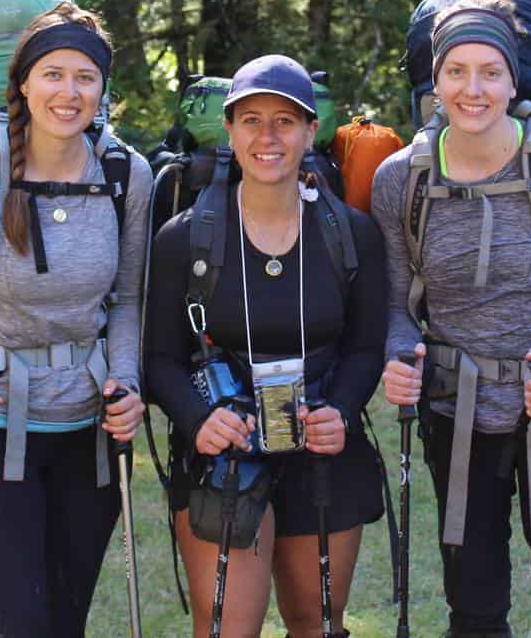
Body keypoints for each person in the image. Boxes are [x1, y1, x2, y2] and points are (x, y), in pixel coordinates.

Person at [372, 0, 531, 638]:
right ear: (435, 80)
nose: (473, 89)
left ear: (513, 80)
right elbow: (397, 308)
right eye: (456, 71)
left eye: (489, 71)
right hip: (457, 415)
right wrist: (400, 359)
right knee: (475, 612)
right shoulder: (402, 179)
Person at [0, 0, 152, 637]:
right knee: (16, 624)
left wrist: (128, 386)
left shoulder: (127, 175)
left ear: (103, 88)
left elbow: (129, 300)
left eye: (85, 76)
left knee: (64, 621)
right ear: (22, 82)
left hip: (89, 432)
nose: (68, 92)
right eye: (53, 73)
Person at [144, 54, 387, 638]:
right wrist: (199, 420)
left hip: (323, 447)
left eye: (285, 120)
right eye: (251, 120)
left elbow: (365, 347)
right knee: (228, 625)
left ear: (310, 131)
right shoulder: (186, 239)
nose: (268, 136)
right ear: (229, 130)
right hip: (224, 454)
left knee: (317, 621)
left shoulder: (351, 235)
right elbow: (158, 358)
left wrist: (343, 412)